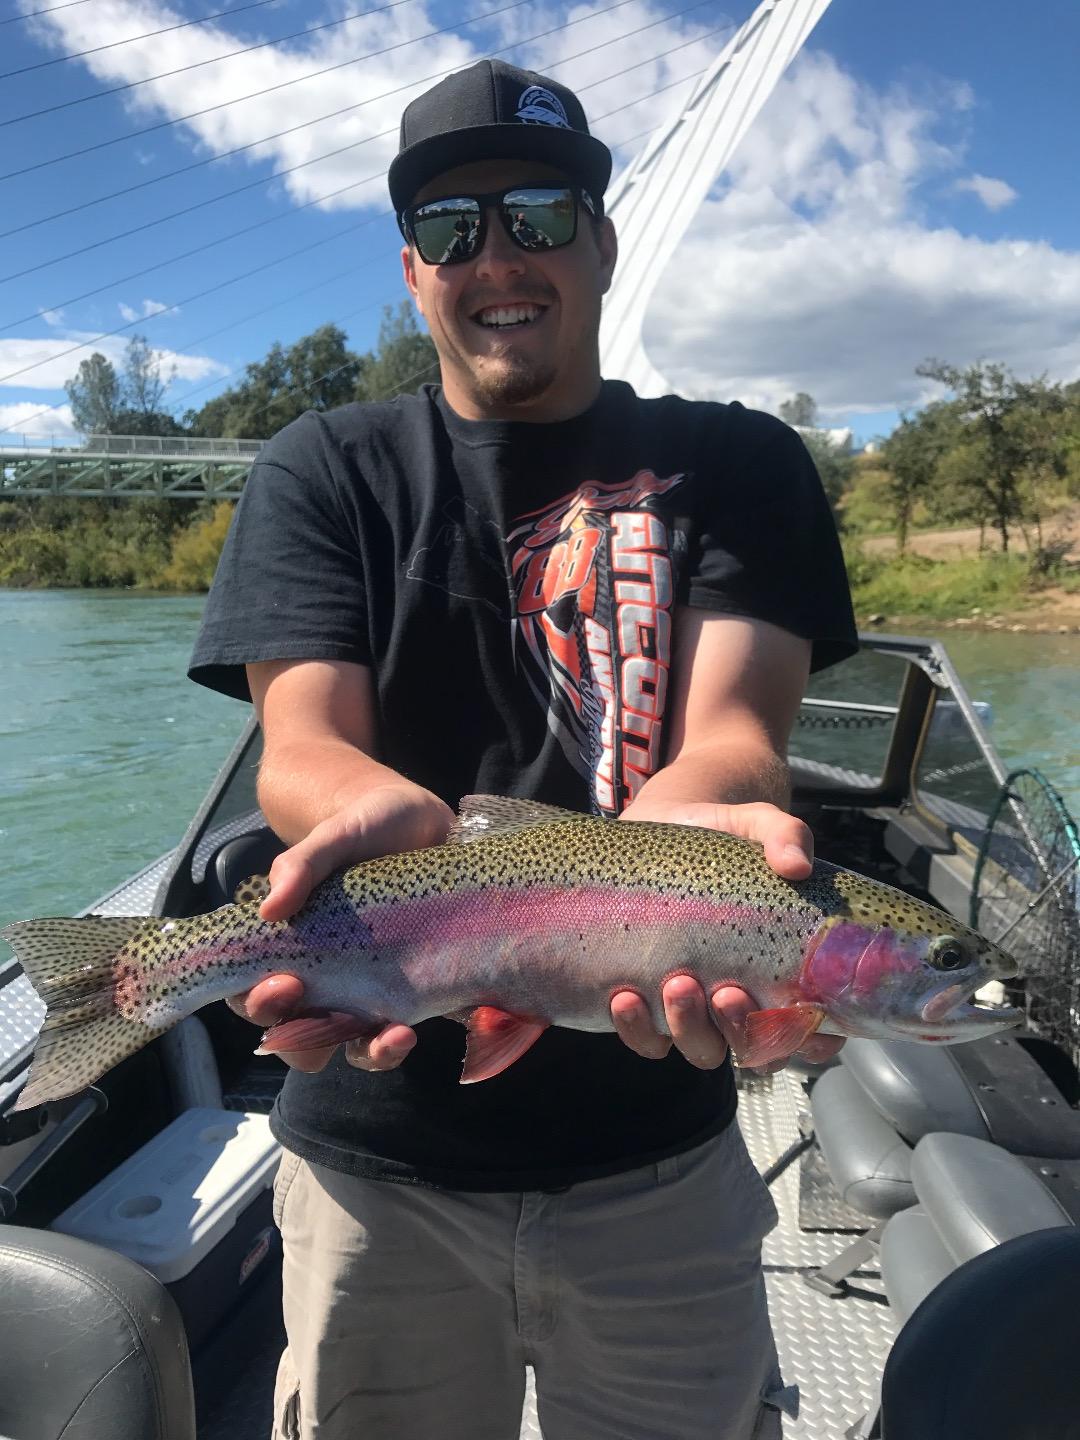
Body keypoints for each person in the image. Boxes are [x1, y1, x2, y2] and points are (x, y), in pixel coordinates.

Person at [190, 57, 858, 1440]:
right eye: (450, 228)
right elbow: (303, 743)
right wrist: (383, 813)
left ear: (604, 240)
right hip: (377, 1175)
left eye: (539, 213)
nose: (495, 254)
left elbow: (730, 736)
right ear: (412, 270)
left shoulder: (740, 466)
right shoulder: (324, 466)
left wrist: (675, 854)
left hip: (661, 1169)